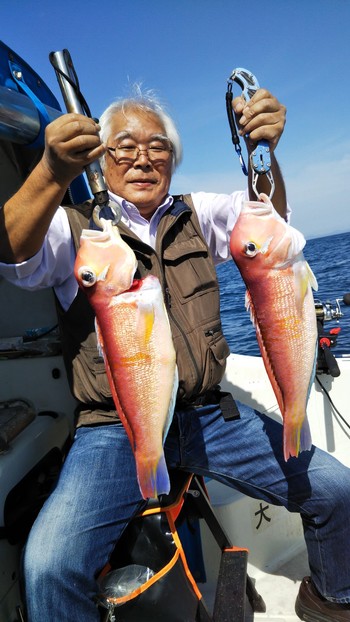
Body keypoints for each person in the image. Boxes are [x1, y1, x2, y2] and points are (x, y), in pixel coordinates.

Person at [0, 84, 350, 622]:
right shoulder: (75, 231)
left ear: (173, 158)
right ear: (100, 153)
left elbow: (269, 224)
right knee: (49, 564)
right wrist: (50, 171)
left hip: (210, 416)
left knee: (336, 489)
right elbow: (14, 251)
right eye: (123, 145)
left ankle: (330, 599)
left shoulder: (196, 214)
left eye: (157, 145)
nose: (142, 156)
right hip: (114, 428)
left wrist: (265, 153)